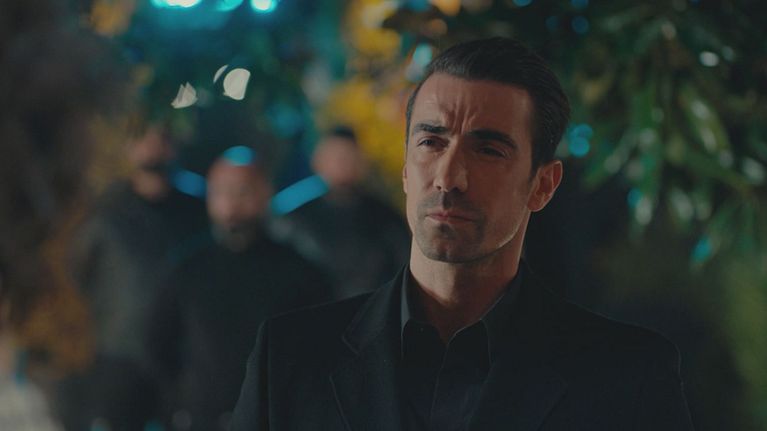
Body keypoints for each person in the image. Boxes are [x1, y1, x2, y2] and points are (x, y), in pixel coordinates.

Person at [230, 37, 693, 430]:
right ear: (406, 168)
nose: (449, 177)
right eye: (431, 142)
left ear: (543, 185)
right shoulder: (289, 357)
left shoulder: (628, 376)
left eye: (488, 150)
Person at [148, 146, 332, 431]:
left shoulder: (300, 272)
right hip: (201, 420)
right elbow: (158, 344)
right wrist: (180, 403)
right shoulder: (187, 269)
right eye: (221, 192)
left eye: (242, 191)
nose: (231, 204)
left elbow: (322, 350)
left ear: (265, 192)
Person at [55, 120, 208, 430]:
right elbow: (74, 279)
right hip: (118, 356)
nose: (153, 147)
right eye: (143, 138)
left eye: (161, 137)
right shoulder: (103, 213)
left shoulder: (199, 210)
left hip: (185, 359)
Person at [271, 126, 410, 299]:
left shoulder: (386, 219)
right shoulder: (294, 219)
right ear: (317, 160)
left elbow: (403, 272)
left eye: (348, 157)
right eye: (335, 157)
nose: (342, 164)